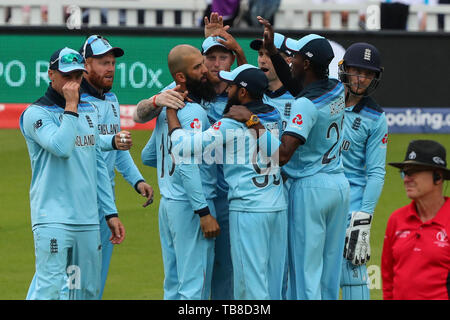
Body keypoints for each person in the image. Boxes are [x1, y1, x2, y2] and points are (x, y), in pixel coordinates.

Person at [226, 36, 350, 300]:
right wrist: (272, 50)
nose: (288, 61)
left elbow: (282, 155)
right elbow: (298, 86)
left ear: (306, 63)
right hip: (338, 184)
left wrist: (253, 122)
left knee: (304, 276)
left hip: (310, 187)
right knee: (329, 276)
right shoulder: (338, 88)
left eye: (293, 57)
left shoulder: (305, 104)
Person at [167, 64, 287, 300]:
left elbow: (183, 148)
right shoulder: (274, 115)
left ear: (242, 93)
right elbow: (278, 156)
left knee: (249, 288)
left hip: (248, 210)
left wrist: (172, 115)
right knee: (274, 285)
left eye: (231, 86)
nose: (227, 89)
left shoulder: (230, 123)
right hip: (277, 206)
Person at [20, 47, 125, 300]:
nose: (73, 82)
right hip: (53, 218)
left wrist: (109, 212)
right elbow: (61, 147)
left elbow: (97, 161)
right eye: (67, 76)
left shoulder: (89, 110)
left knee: (87, 291)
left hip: (88, 219)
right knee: (50, 290)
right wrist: (70, 106)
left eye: (78, 76)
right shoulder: (36, 114)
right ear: (51, 74)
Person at [141, 44, 220, 300]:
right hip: (192, 206)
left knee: (174, 286)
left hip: (169, 205)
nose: (206, 70)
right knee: (194, 289)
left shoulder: (167, 103)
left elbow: (149, 156)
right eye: (198, 68)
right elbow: (187, 165)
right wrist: (203, 212)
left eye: (203, 63)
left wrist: (170, 173)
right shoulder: (194, 111)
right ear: (181, 77)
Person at [78, 34, 154, 299]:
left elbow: (118, 148)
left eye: (112, 62)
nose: (110, 68)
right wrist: (111, 140)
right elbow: (84, 144)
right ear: (85, 65)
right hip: (80, 204)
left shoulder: (111, 99)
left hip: (104, 203)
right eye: (102, 62)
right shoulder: (73, 102)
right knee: (75, 281)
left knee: (95, 282)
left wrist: (137, 181)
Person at [338, 42, 388, 300]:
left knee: (354, 279)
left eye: (368, 74)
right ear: (344, 69)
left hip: (351, 207)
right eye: (357, 71)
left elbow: (376, 173)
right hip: (315, 202)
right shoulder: (324, 100)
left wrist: (364, 218)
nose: (362, 79)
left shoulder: (376, 118)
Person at [382, 139, 450, 300]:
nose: (406, 179)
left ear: (437, 177)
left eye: (414, 172)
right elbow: (387, 278)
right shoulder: (396, 219)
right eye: (405, 173)